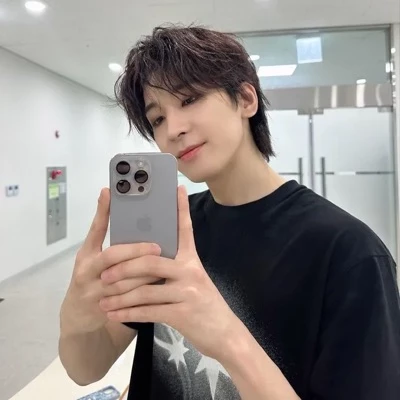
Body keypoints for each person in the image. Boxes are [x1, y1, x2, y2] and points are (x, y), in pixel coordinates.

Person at [58, 25, 400, 400]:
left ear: (246, 99)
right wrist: (76, 319)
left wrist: (226, 336)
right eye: (157, 119)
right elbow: (86, 369)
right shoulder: (171, 231)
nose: (173, 129)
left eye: (189, 99)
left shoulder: (349, 252)